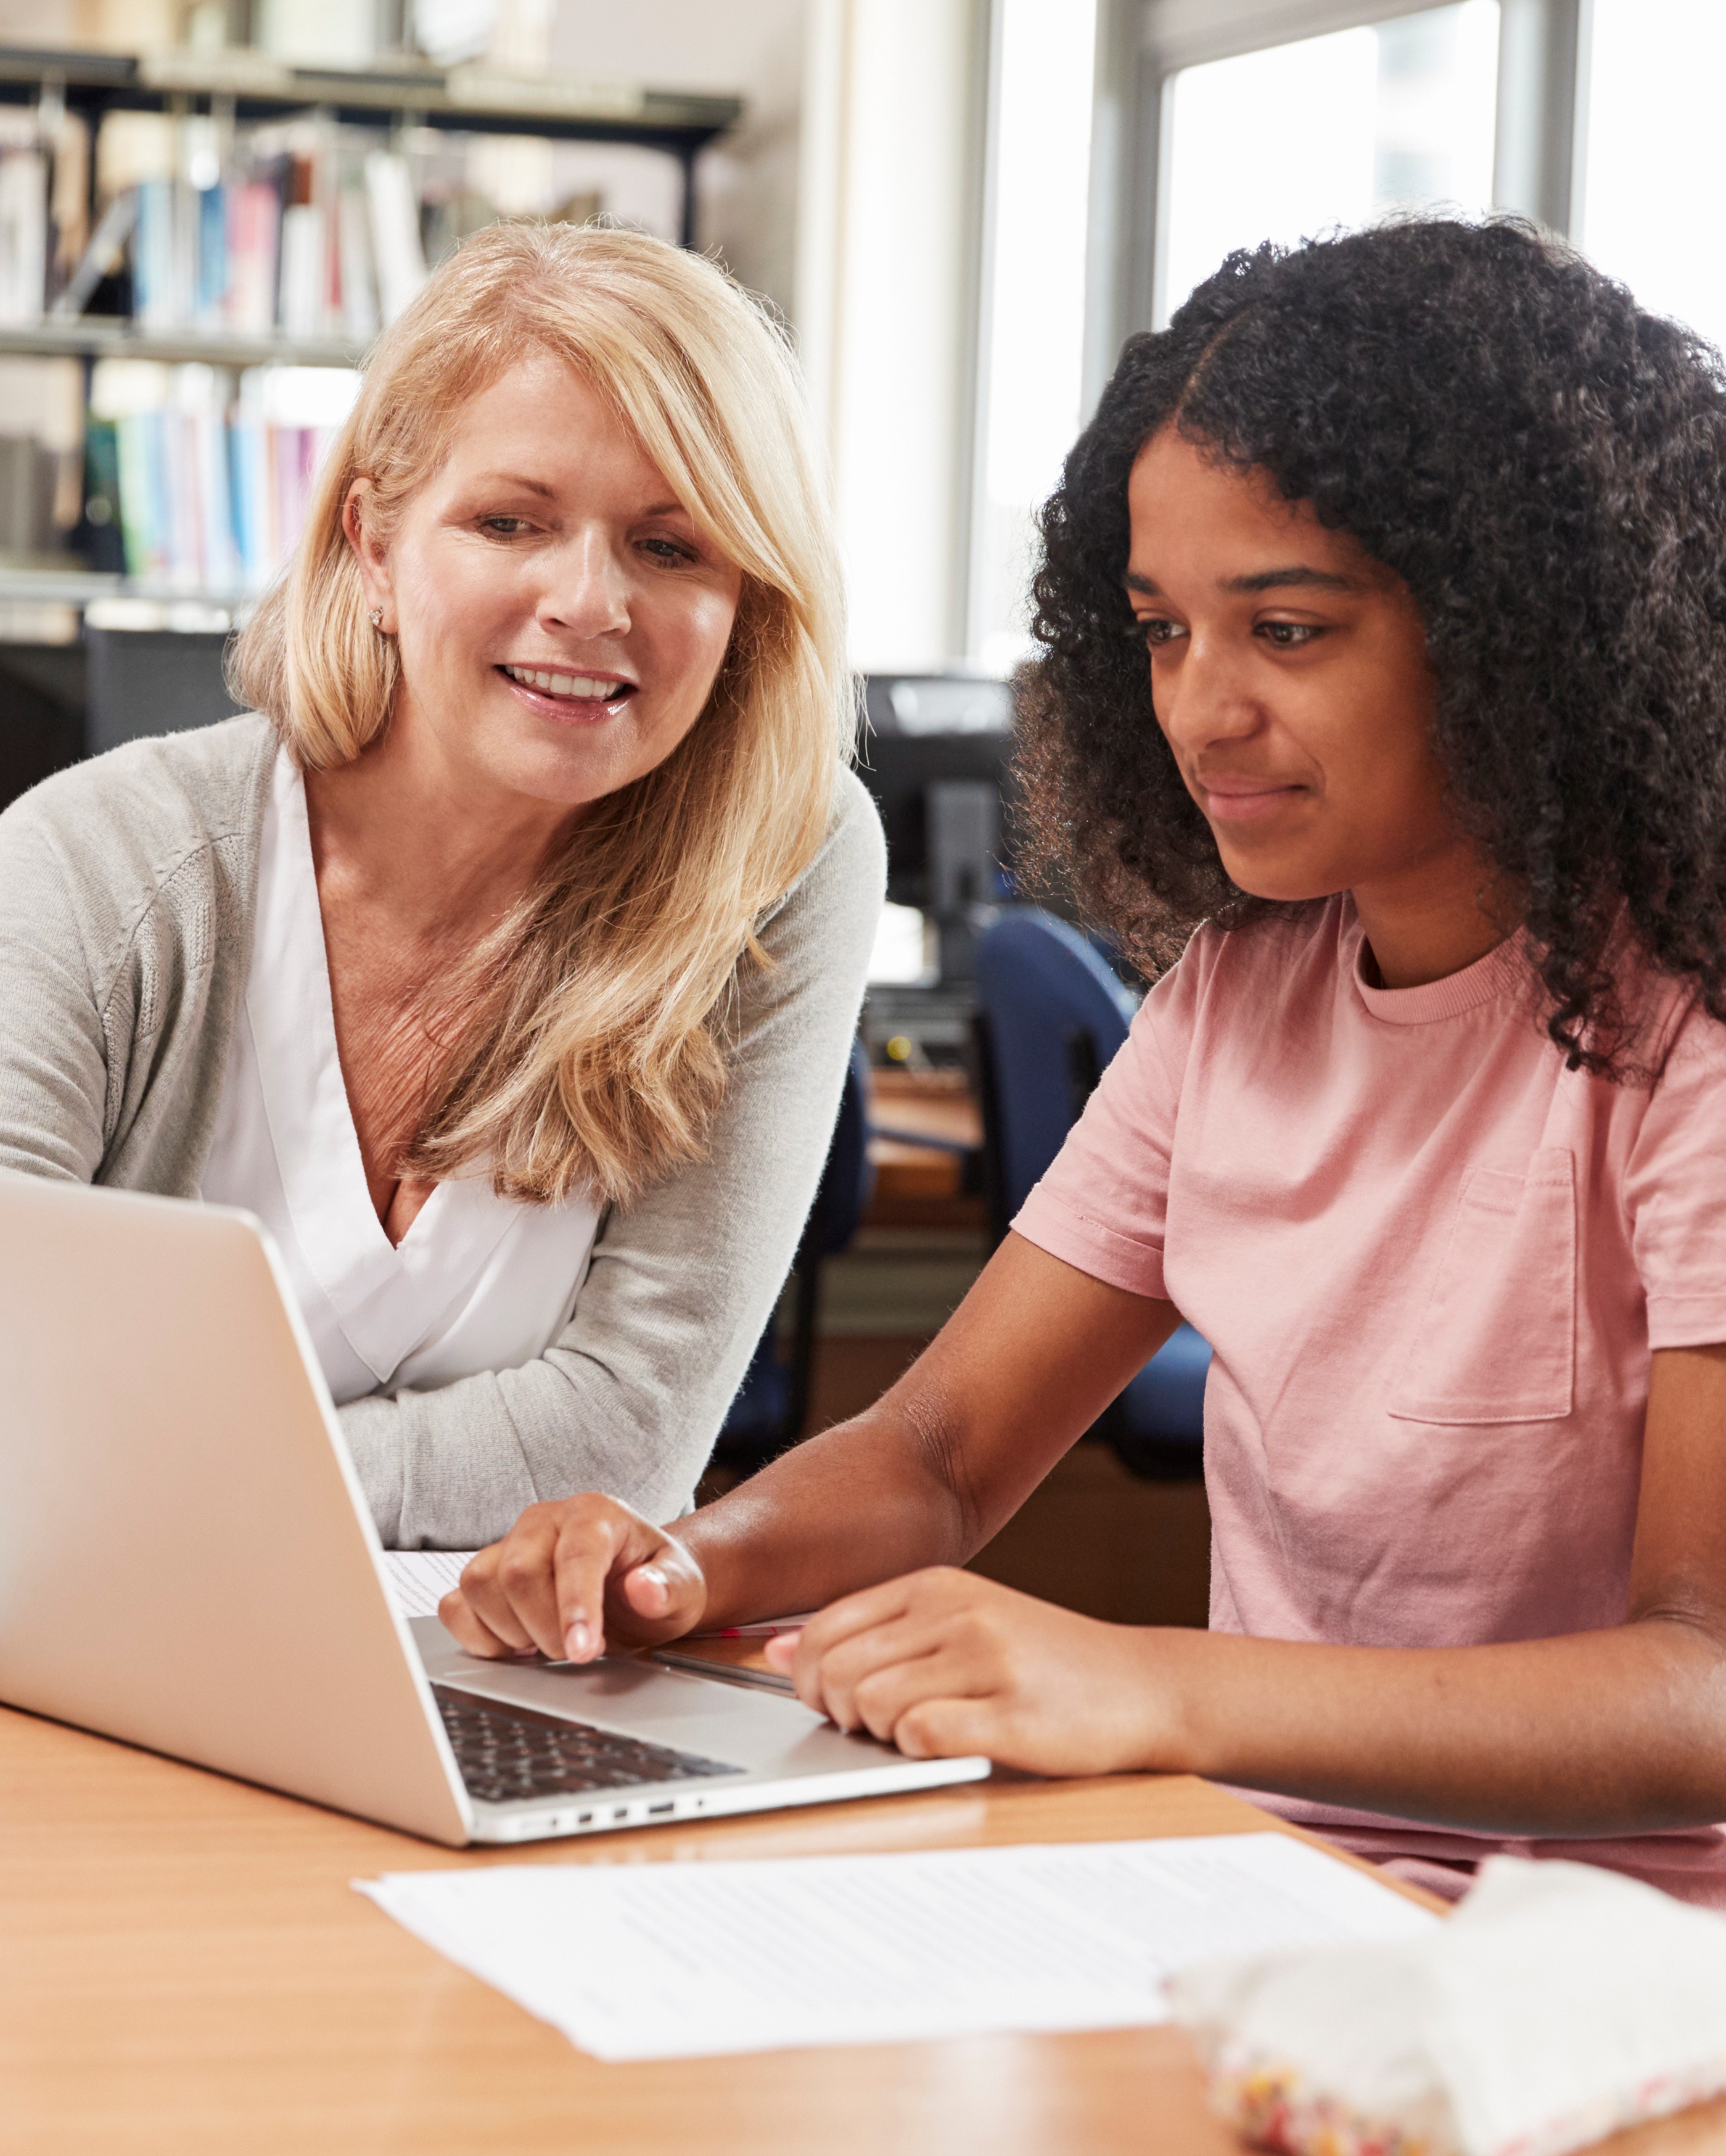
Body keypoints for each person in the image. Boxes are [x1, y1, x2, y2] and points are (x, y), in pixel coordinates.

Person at [443, 218, 1726, 1905]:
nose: (1198, 712)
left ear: (1521, 636)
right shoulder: (1239, 993)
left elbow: (1705, 1678)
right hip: (1271, 1889)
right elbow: (940, 1457)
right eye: (1163, 631)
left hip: (1618, 1973)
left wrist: (1151, 1684)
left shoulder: (1687, 1041)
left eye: (1286, 631)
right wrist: (688, 1565)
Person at [0, 221, 881, 1543]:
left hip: (483, 1699)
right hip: (72, 1662)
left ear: (747, 599)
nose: (587, 600)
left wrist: (83, 1467)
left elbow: (625, 1440)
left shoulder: (776, 852)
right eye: (510, 521)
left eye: (672, 548)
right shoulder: (94, 864)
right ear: (373, 544)